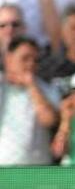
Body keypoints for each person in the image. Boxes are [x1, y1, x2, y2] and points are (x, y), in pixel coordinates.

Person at [0, 36, 58, 165]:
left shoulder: (46, 89)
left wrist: (31, 85)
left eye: (35, 60)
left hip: (37, 168)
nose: (31, 64)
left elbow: (49, 120)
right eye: (25, 58)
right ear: (8, 59)